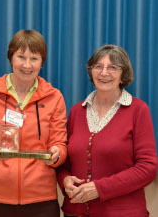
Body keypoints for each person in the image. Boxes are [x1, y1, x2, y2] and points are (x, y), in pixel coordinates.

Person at [0, 29, 68, 217]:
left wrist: (57, 154)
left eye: (34, 58)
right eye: (21, 57)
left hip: (40, 200)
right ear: (11, 58)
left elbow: (59, 144)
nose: (27, 65)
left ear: (42, 62)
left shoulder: (54, 97)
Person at [56, 45, 158, 217]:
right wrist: (65, 180)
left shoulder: (138, 110)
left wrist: (99, 189)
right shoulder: (76, 111)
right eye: (98, 67)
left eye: (112, 67)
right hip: (75, 212)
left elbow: (147, 168)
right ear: (91, 72)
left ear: (123, 74)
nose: (104, 73)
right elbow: (64, 163)